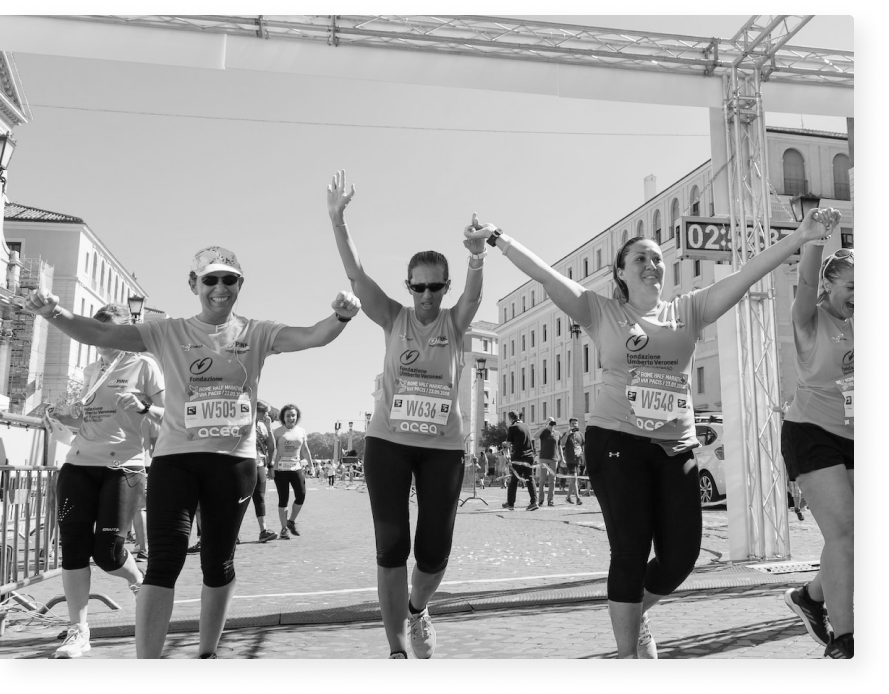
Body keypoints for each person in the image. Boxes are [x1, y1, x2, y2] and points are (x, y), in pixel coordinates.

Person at [466, 206, 838, 658]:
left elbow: (747, 274)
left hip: (675, 446)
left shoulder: (689, 310)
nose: (651, 263)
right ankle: (628, 654)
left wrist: (801, 236)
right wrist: (498, 239)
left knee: (681, 556)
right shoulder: (600, 311)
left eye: (656, 257)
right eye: (639, 258)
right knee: (630, 549)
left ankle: (633, 612)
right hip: (616, 441)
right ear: (621, 273)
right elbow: (545, 276)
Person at [24, 246, 361, 659]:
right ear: (194, 284)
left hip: (234, 465)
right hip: (175, 463)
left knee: (218, 563)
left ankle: (206, 653)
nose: (220, 288)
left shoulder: (257, 331)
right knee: (165, 562)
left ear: (240, 285)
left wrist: (342, 316)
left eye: (229, 279)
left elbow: (312, 336)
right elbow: (101, 334)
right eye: (210, 279)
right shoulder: (168, 331)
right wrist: (52, 313)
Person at [327, 169, 484, 659]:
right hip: (389, 443)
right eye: (419, 288)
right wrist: (338, 219)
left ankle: (417, 609)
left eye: (437, 287)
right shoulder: (393, 317)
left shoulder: (455, 324)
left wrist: (477, 255)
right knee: (391, 547)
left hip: (442, 448)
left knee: (434, 551)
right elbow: (357, 275)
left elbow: (474, 297)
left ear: (445, 287)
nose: (427, 297)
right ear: (408, 286)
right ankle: (397, 649)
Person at [44, 303, 165, 658]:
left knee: (109, 552)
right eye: (94, 326)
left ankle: (138, 580)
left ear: (123, 331)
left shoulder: (144, 365)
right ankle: (78, 631)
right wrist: (67, 417)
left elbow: (170, 413)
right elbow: (87, 422)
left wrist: (144, 408)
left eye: (106, 327)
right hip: (78, 464)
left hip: (122, 467)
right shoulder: (91, 369)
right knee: (74, 549)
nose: (98, 333)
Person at [781, 243, 854, 659]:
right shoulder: (809, 318)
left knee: (853, 538)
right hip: (810, 431)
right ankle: (844, 641)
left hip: (851, 433)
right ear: (828, 285)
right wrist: (814, 241)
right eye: (850, 285)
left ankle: (810, 597)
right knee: (842, 534)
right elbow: (805, 282)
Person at [271, 404, 313, 539]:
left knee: (301, 495)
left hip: (296, 467)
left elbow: (305, 449)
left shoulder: (301, 431)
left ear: (297, 417)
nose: (291, 418)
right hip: (280, 469)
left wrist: (311, 466)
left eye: (293, 415)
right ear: (283, 417)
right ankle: (284, 529)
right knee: (283, 498)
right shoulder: (277, 432)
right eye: (288, 416)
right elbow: (271, 451)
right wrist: (271, 467)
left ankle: (291, 521)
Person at [252, 400, 278, 543]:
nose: (267, 415)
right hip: (245, 462)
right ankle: (233, 533)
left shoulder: (262, 426)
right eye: (264, 412)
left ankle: (263, 531)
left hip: (259, 462)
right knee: (240, 498)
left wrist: (269, 429)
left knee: (260, 497)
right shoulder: (244, 423)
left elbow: (271, 446)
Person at [503, 410, 537, 511]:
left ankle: (510, 503)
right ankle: (534, 502)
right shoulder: (526, 426)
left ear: (511, 418)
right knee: (530, 479)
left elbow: (508, 444)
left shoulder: (513, 427)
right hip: (530, 456)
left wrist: (503, 444)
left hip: (519, 457)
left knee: (514, 480)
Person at [534, 418, 562, 507]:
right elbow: (535, 436)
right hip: (543, 458)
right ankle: (541, 500)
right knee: (542, 480)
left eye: (553, 423)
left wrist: (562, 457)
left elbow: (559, 445)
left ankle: (550, 500)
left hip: (554, 459)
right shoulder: (544, 432)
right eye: (550, 423)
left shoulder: (557, 433)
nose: (551, 424)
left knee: (552, 481)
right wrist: (544, 427)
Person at [561, 417, 585, 505]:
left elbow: (583, 446)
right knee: (574, 478)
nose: (574, 425)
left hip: (578, 459)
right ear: (569, 424)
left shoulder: (580, 434)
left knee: (573, 479)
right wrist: (567, 434)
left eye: (576, 423)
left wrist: (584, 458)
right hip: (570, 459)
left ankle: (567, 497)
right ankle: (578, 498)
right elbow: (562, 443)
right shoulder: (567, 434)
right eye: (573, 423)